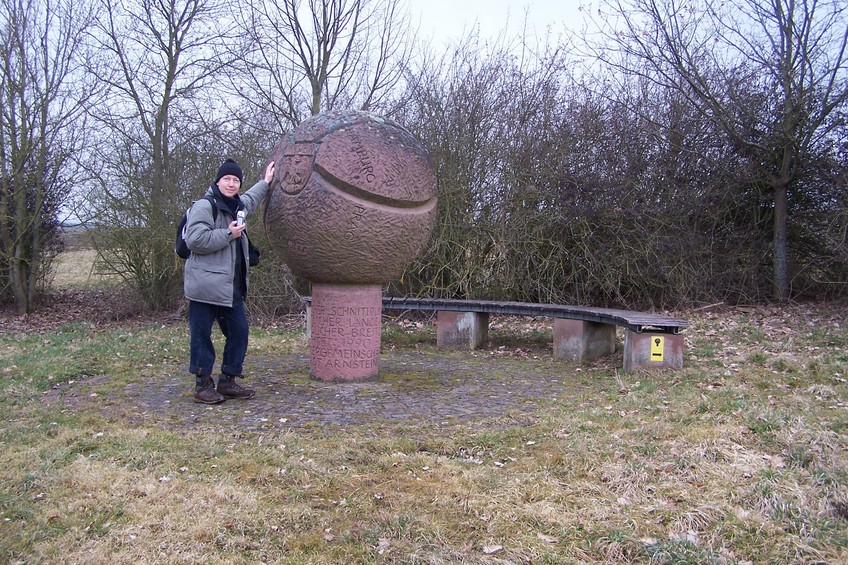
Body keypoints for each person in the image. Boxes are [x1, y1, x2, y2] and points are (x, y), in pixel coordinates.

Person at [184, 158, 275, 404]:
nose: (232, 184)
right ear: (218, 181)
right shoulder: (205, 206)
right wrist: (228, 234)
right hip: (204, 286)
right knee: (201, 336)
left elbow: (252, 199)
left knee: (239, 332)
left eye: (236, 180)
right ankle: (203, 385)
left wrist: (265, 182)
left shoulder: (238, 206)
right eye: (227, 179)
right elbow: (195, 240)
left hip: (229, 286)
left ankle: (227, 381)